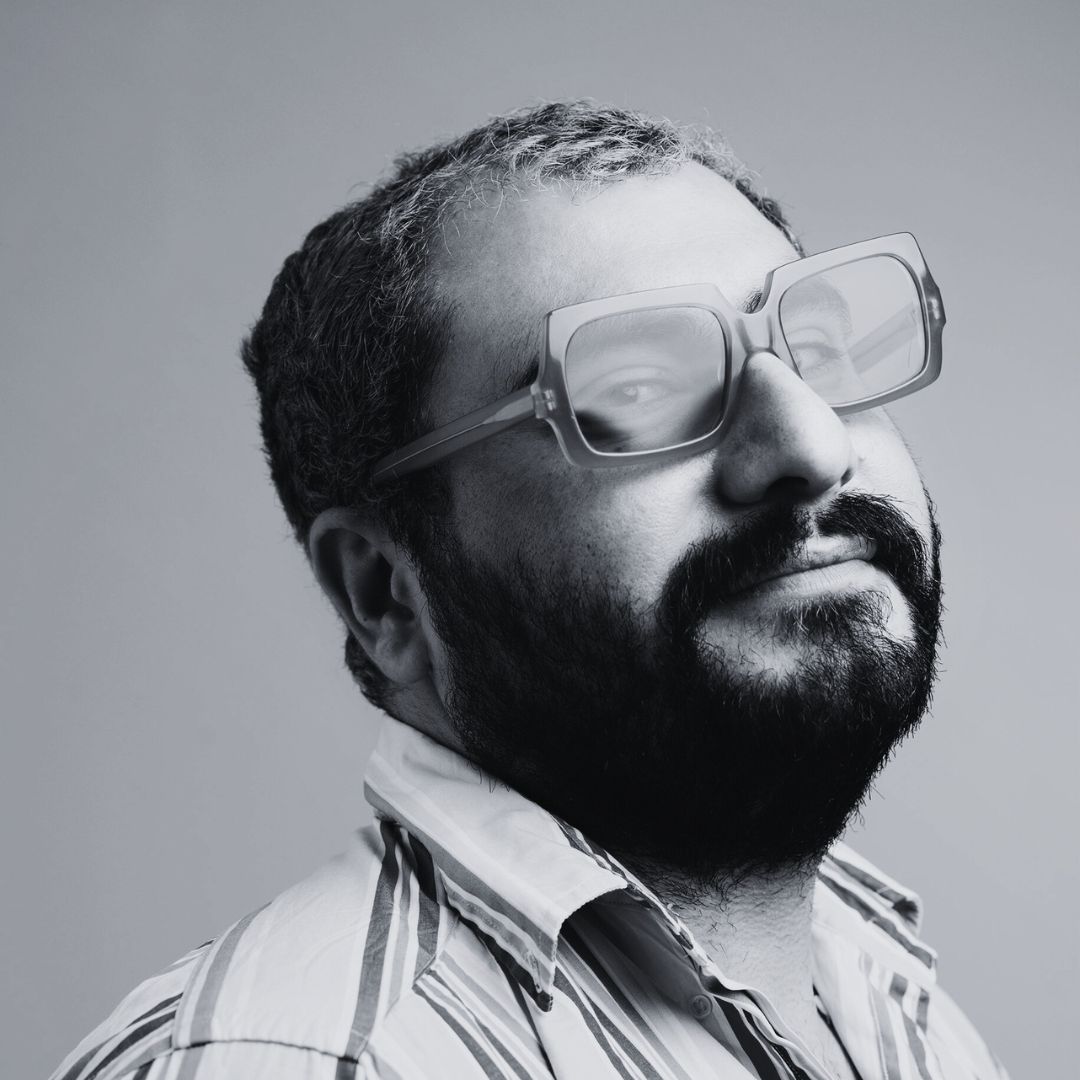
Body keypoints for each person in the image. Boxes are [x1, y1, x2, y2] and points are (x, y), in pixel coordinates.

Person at [51, 101, 1008, 1080]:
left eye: (817, 352)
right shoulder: (296, 1063)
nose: (810, 442)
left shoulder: (898, 1008)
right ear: (385, 592)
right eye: (635, 389)